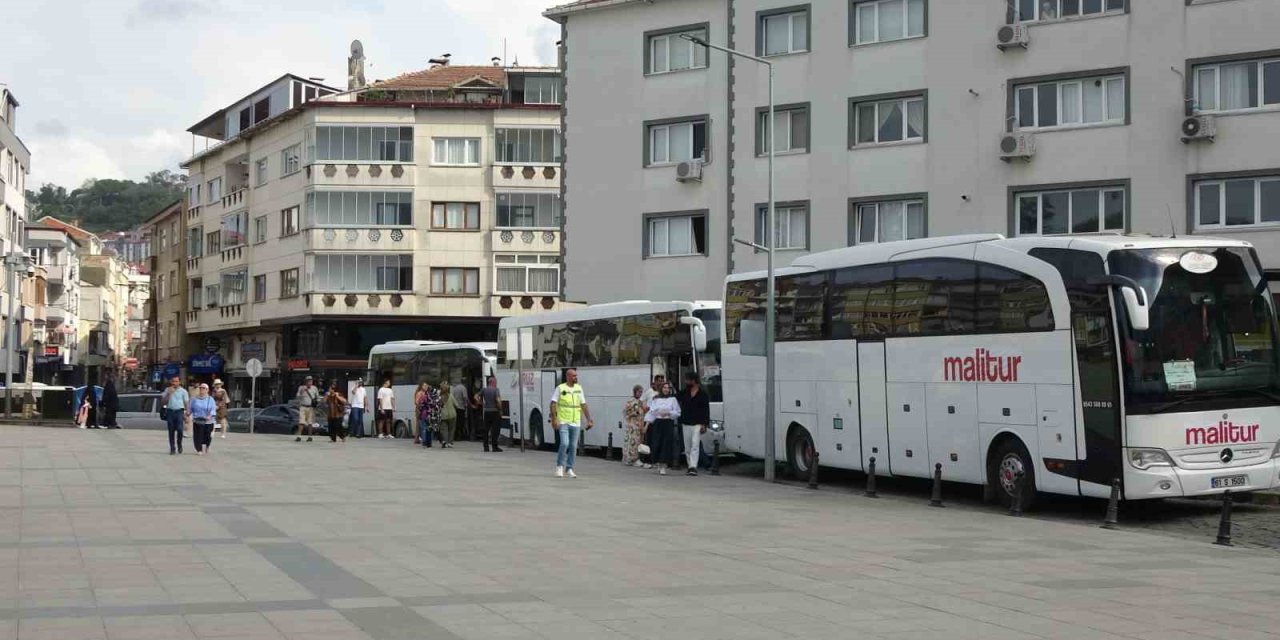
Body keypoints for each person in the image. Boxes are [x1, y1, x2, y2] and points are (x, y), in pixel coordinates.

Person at [550, 368, 592, 478]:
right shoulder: (560, 388)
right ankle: (559, 467)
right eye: (573, 376)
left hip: (575, 422)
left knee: (573, 446)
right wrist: (554, 419)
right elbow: (553, 404)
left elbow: (583, 405)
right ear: (568, 377)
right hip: (563, 420)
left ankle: (569, 468)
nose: (576, 378)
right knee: (564, 443)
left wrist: (589, 419)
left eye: (576, 376)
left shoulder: (579, 388)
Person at [676, 372, 710, 477]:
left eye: (687, 380)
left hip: (698, 422)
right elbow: (674, 398)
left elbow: (706, 410)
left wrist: (705, 424)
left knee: (695, 444)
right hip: (686, 422)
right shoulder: (684, 392)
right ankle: (689, 465)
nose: (686, 382)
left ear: (693, 381)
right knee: (687, 446)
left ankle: (693, 467)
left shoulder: (703, 394)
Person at [644, 382, 681, 475]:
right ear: (661, 389)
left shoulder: (673, 399)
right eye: (664, 387)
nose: (666, 389)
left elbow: (677, 412)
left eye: (668, 388)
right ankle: (658, 462)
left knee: (666, 443)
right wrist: (646, 425)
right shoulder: (656, 399)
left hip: (668, 422)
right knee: (657, 442)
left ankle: (663, 464)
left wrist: (669, 413)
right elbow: (651, 413)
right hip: (658, 423)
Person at [160, 376, 189, 455]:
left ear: (179, 382)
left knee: (180, 429)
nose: (174, 383)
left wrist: (187, 413)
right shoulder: (167, 390)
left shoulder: (183, 391)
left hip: (179, 411)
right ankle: (172, 448)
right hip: (170, 411)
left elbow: (186, 403)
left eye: (176, 381)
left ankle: (179, 443)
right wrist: (169, 394)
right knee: (171, 430)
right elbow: (163, 402)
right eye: (173, 381)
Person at [189, 383, 216, 455]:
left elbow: (213, 409)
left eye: (203, 388)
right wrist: (187, 414)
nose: (201, 389)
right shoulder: (194, 399)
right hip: (198, 420)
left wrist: (210, 415)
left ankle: (207, 446)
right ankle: (199, 449)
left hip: (208, 421)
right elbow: (190, 408)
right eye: (200, 388)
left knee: (207, 436)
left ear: (207, 390)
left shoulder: (210, 399)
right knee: (198, 436)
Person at [622, 384, 646, 467]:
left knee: (636, 442)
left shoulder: (640, 402)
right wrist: (635, 413)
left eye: (641, 392)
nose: (640, 394)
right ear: (635, 392)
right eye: (639, 392)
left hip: (638, 426)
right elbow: (625, 412)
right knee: (631, 442)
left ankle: (634, 459)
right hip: (632, 426)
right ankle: (629, 459)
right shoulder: (631, 401)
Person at [480, 376, 503, 453]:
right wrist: (500, 409)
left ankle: (486, 447)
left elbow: (476, 397)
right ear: (492, 382)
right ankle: (494, 446)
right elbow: (498, 400)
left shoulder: (484, 390)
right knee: (495, 430)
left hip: (487, 412)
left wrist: (482, 403)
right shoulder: (496, 390)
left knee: (486, 430)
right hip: (495, 411)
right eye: (495, 382)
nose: (496, 383)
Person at [295, 376, 319, 442]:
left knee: (310, 422)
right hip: (303, 406)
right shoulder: (301, 387)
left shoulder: (314, 388)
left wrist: (316, 402)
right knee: (301, 422)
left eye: (311, 381)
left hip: (310, 407)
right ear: (305, 381)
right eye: (308, 381)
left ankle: (310, 437)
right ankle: (299, 436)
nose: (310, 382)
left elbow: (317, 397)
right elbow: (297, 396)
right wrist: (302, 391)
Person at [414, 382, 436, 448]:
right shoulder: (420, 393)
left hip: (426, 413)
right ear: (421, 386)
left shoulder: (428, 394)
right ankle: (423, 441)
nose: (426, 387)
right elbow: (417, 402)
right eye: (424, 386)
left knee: (426, 427)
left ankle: (425, 441)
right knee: (423, 427)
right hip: (422, 412)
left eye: (427, 386)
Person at [438, 381, 456, 448]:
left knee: (444, 430)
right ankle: (450, 443)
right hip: (452, 415)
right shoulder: (451, 395)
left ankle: (445, 442)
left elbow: (437, 405)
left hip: (443, 415)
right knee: (451, 429)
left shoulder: (439, 396)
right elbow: (456, 404)